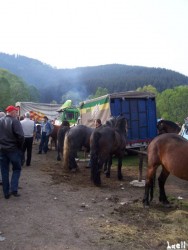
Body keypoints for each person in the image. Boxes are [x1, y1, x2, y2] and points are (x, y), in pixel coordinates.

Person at [0, 105, 24, 199]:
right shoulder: (15, 121)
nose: (17, 113)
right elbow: (21, 137)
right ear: (12, 112)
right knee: (17, 169)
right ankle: (14, 189)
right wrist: (19, 147)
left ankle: (6, 193)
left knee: (4, 171)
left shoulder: (0, 121)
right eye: (16, 111)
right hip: (13, 150)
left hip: (2, 150)